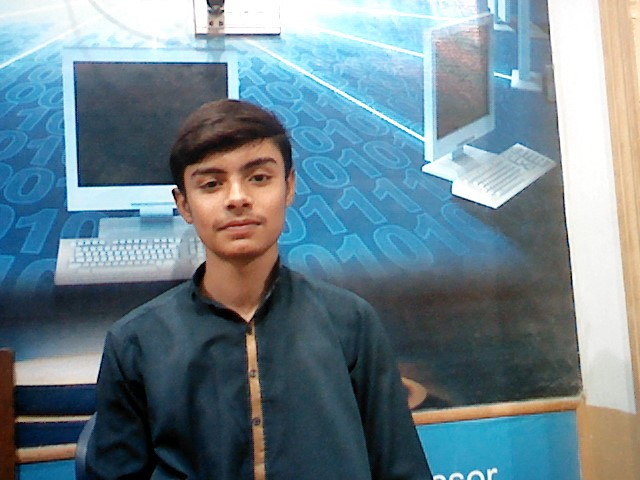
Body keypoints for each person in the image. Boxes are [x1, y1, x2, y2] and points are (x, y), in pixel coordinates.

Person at [86, 99, 432, 480]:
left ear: (289, 187)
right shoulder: (135, 344)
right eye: (212, 184)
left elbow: (402, 470)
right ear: (183, 204)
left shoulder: (351, 325)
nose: (237, 198)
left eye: (259, 178)